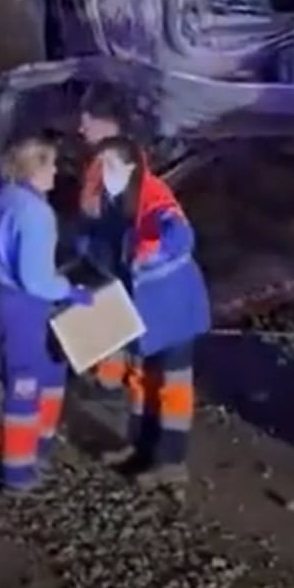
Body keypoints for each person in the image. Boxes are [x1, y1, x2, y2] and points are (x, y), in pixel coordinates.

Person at [91, 136, 211, 491]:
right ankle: (142, 448)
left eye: (111, 166)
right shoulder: (119, 199)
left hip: (174, 307)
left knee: (173, 386)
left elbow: (180, 234)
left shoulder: (154, 197)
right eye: (103, 166)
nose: (105, 173)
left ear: (132, 167)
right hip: (147, 307)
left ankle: (171, 461)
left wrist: (153, 246)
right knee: (145, 381)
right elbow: (107, 239)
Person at [0, 136, 94, 492]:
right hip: (26, 306)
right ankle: (18, 471)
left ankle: (35, 454)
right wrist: (70, 291)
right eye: (50, 165)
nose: (56, 171)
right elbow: (35, 278)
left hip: (6, 298)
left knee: (48, 375)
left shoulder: (6, 197)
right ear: (34, 168)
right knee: (27, 384)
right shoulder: (37, 213)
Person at [77, 86, 134, 391]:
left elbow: (98, 208)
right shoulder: (120, 153)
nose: (81, 128)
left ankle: (109, 377)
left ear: (106, 123)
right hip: (107, 243)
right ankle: (109, 370)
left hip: (107, 244)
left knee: (108, 298)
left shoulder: (112, 160)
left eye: (87, 121)